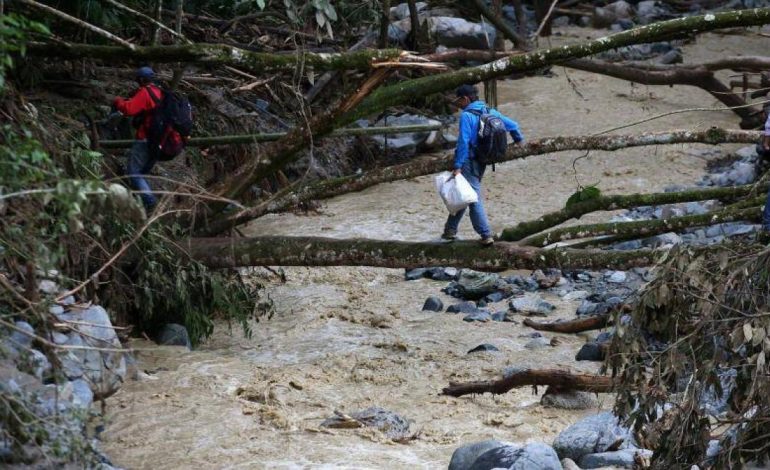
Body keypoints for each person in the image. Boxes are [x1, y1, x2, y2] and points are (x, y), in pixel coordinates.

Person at [442, 84, 524, 245]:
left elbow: (464, 141)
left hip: (469, 162)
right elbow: (513, 125)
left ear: (465, 99)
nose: (457, 104)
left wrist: (458, 165)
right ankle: (449, 230)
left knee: (473, 199)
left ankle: (486, 235)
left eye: (458, 101)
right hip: (484, 160)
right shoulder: (490, 111)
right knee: (465, 193)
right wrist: (519, 141)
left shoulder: (467, 116)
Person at [112, 66, 163, 210]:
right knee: (142, 172)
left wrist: (118, 102)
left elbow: (129, 109)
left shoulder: (146, 92)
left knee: (134, 173)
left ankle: (150, 202)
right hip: (160, 140)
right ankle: (143, 202)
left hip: (146, 138)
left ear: (141, 80)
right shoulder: (161, 92)